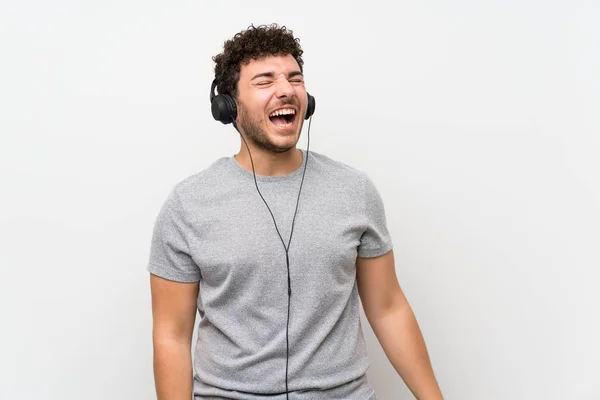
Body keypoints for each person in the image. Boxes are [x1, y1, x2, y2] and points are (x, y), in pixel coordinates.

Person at [147, 23, 443, 400]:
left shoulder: (354, 191)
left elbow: (388, 308)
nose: (285, 89)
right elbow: (171, 336)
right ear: (228, 107)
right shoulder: (188, 205)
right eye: (265, 80)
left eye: (294, 78)